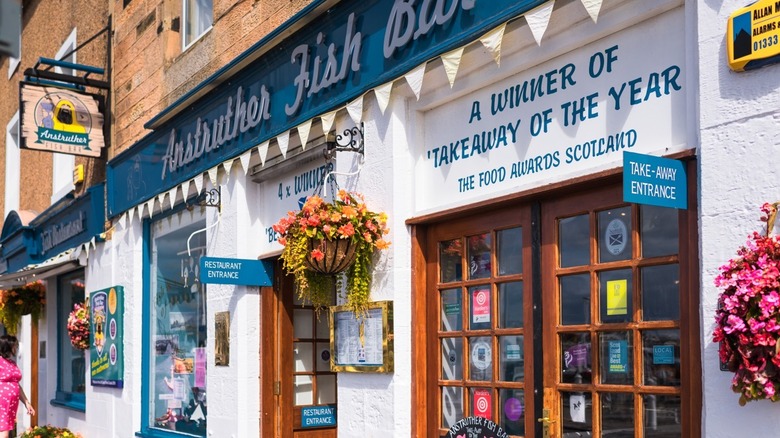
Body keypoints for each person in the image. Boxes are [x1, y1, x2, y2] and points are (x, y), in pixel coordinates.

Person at [0, 335, 34, 438]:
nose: (16, 348)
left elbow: (16, 385)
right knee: (4, 432)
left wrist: (27, 402)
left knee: (7, 431)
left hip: (11, 404)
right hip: (2, 402)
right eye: (14, 345)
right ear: (7, 346)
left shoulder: (12, 363)